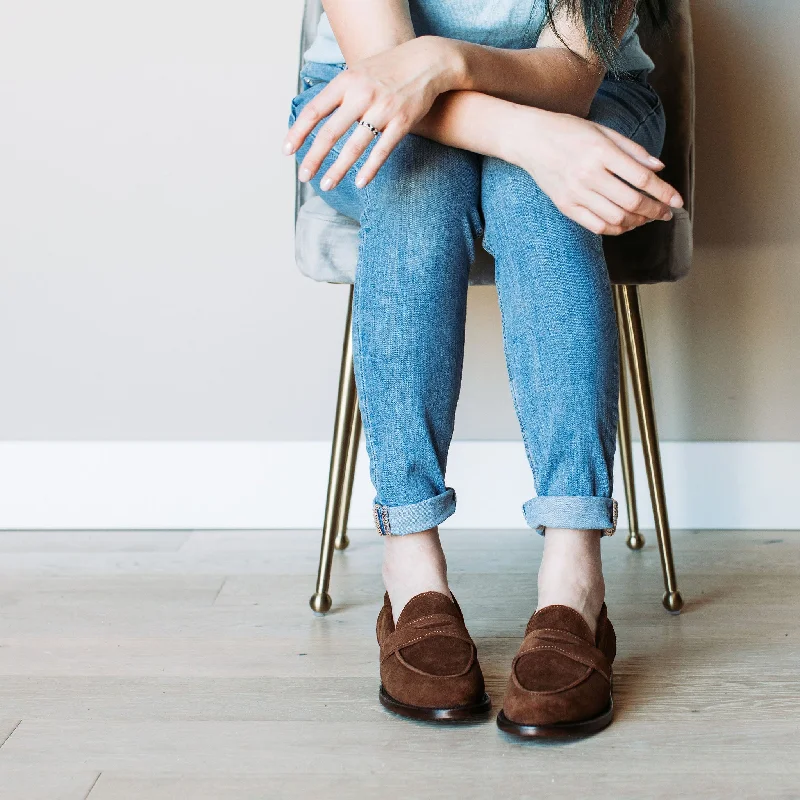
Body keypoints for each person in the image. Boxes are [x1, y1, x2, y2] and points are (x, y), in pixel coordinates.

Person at [284, 0, 681, 738]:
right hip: (365, 95)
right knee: (419, 184)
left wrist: (446, 62)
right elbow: (386, 73)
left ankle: (575, 580)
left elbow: (566, 81)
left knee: (535, 195)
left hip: (584, 97)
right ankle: (410, 570)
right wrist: (532, 137)